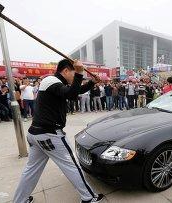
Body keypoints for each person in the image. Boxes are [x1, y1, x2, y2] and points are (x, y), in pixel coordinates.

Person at [13, 59, 104, 203]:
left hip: (37, 134)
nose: (75, 77)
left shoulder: (54, 83)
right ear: (66, 70)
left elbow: (75, 90)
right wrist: (80, 72)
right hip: (50, 135)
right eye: (74, 73)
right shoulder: (51, 80)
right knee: (72, 166)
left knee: (31, 170)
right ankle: (89, 198)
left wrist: (92, 82)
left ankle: (20, 200)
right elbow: (72, 95)